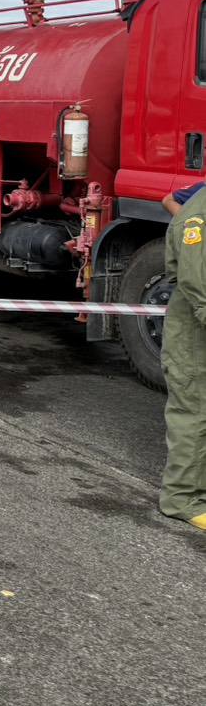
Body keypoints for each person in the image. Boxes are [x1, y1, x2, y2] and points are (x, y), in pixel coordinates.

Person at [160, 187, 206, 531]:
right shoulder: (200, 212)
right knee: (194, 410)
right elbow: (196, 280)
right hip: (194, 330)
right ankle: (182, 499)